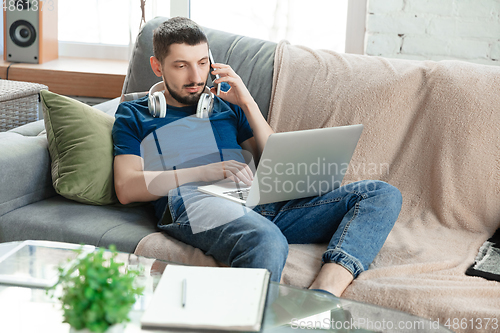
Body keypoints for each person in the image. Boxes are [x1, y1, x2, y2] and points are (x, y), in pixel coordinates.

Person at [112, 17, 403, 297]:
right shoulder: (134, 114)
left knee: (379, 194)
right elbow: (127, 188)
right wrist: (206, 171)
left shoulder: (225, 107)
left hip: (253, 198)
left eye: (203, 63)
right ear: (157, 66)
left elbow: (275, 161)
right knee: (266, 240)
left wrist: (247, 102)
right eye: (181, 66)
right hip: (192, 201)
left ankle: (323, 296)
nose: (196, 77)